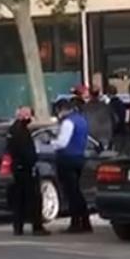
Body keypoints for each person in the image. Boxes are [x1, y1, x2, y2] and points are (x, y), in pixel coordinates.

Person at [6, 106, 50, 236]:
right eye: (29, 115)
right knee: (34, 198)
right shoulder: (21, 131)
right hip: (25, 169)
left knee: (19, 200)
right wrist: (33, 161)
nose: (30, 118)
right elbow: (26, 152)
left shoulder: (13, 129)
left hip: (17, 168)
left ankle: (18, 227)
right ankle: (37, 227)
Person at [51, 98, 91, 233]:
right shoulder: (82, 120)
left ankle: (75, 223)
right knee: (77, 191)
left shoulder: (68, 122)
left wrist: (51, 143)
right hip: (79, 157)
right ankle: (85, 222)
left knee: (71, 192)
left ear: (61, 109)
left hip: (67, 159)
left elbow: (62, 142)